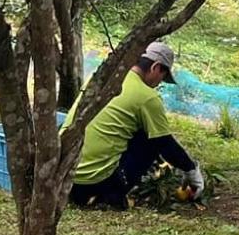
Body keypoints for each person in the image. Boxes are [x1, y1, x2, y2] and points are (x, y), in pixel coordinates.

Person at [67, 40, 204, 209]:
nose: (159, 83)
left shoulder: (104, 78)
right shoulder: (146, 96)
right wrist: (191, 169)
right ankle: (110, 196)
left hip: (66, 177)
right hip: (93, 181)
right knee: (151, 140)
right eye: (163, 76)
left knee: (138, 129)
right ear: (155, 67)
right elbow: (164, 143)